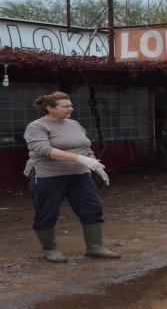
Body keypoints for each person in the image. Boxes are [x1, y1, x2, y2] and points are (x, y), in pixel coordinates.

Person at [23, 91, 120, 263]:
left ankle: (95, 247)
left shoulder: (74, 124)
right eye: (66, 106)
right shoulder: (37, 127)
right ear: (50, 108)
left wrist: (93, 162)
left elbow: (85, 146)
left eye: (71, 105)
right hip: (48, 175)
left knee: (92, 208)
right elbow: (44, 150)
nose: (71, 109)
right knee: (47, 212)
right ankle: (50, 250)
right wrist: (79, 158)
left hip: (79, 175)